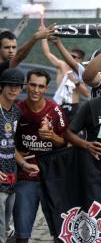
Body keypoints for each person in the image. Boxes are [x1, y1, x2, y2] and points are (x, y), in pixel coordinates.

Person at [13, 69, 68, 243]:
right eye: (33, 85)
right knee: (22, 235)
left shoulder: (55, 110)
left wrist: (52, 137)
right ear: (26, 85)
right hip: (25, 177)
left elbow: (65, 142)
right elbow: (6, 141)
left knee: (60, 232)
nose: (36, 90)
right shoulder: (16, 109)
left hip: (51, 178)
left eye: (41, 86)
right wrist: (17, 156)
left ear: (46, 88)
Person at [0, 69, 25, 243]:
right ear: (2, 86)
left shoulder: (16, 111)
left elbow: (11, 145)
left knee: (6, 225)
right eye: (10, 85)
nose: (13, 89)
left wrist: (23, 163)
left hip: (11, 176)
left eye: (17, 86)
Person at [41, 37, 90, 122]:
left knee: (70, 132)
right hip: (59, 104)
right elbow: (47, 54)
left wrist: (75, 82)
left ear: (80, 60)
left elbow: (86, 94)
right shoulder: (62, 65)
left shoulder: (81, 72)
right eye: (69, 55)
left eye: (73, 57)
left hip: (72, 107)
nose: (70, 58)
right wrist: (43, 37)